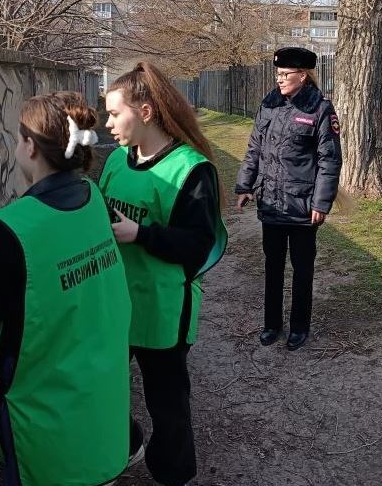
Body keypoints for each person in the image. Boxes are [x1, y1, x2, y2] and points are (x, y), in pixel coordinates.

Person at [0, 93, 131, 486]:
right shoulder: (92, 197)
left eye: (17, 138)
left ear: (30, 146)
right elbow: (44, 246)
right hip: (98, 399)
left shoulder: (9, 231)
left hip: (44, 418)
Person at [100, 61, 227, 486]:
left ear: (146, 112)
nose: (107, 123)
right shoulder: (116, 161)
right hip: (118, 304)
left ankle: (173, 473)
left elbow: (198, 244)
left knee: (167, 403)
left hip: (163, 309)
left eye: (114, 113)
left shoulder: (191, 169)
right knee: (104, 388)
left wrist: (141, 234)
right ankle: (127, 444)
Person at [235, 46, 343, 351]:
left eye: (285, 74)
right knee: (273, 266)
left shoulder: (320, 109)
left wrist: (321, 203)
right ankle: (272, 324)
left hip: (302, 206)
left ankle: (299, 326)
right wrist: (245, 186)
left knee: (302, 268)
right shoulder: (269, 104)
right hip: (271, 202)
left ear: (303, 75)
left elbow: (329, 160)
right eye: (278, 74)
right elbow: (254, 148)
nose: (279, 79)